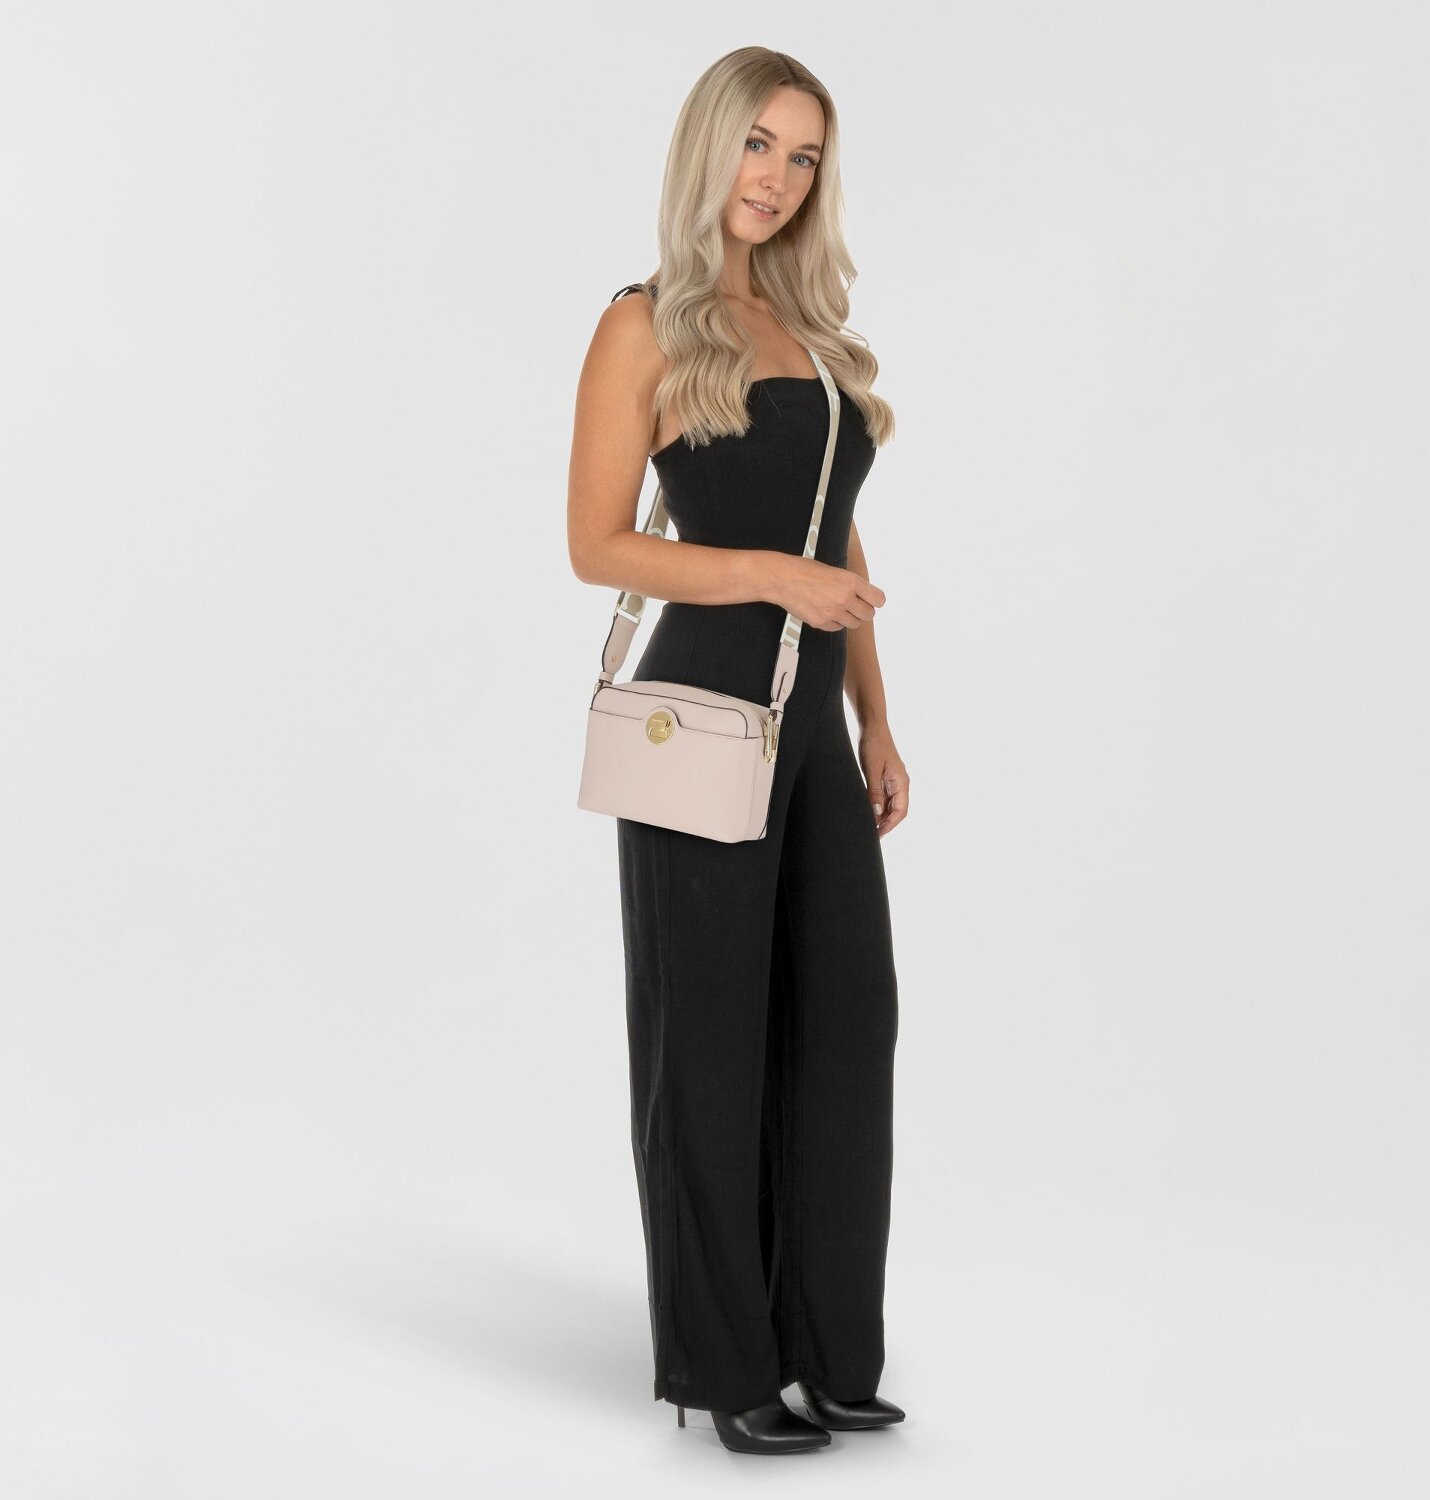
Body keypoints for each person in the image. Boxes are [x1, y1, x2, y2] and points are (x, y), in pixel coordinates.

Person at [568, 46, 910, 1457]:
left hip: (811, 727)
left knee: (846, 1023)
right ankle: (725, 1365)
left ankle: (826, 1346)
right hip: (701, 718)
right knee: (706, 1044)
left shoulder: (811, 334)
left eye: (803, 156)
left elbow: (840, 543)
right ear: (709, 146)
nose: (776, 177)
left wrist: (876, 716)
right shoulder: (644, 323)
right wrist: (774, 577)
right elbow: (597, 545)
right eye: (758, 144)